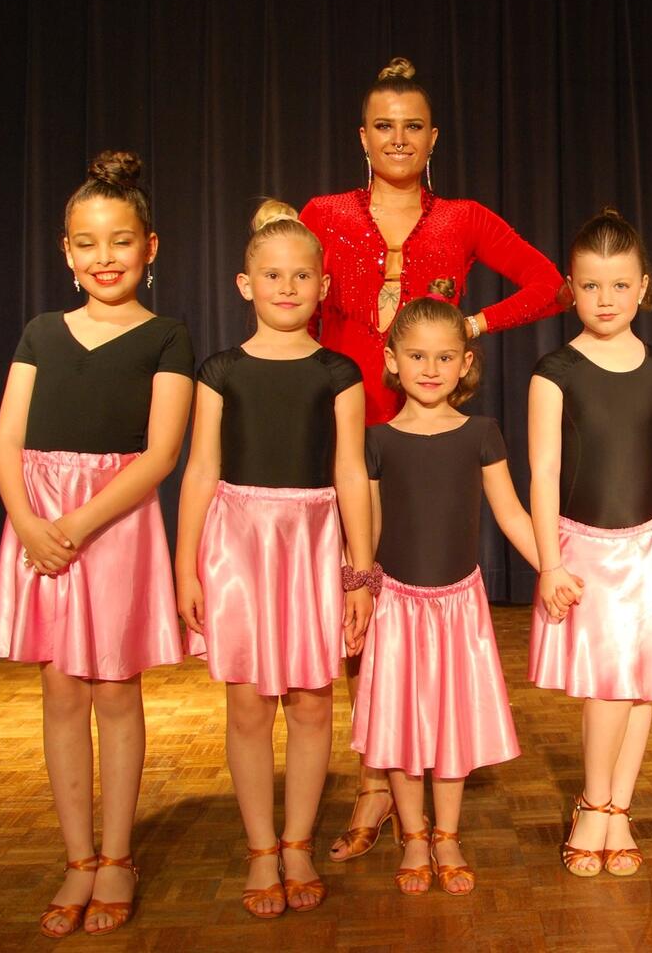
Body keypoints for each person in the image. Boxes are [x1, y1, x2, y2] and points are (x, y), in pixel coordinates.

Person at [300, 56, 568, 859]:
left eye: (412, 126)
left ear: (433, 137)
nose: (398, 138)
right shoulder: (322, 215)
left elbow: (549, 285)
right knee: (360, 608)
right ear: (361, 136)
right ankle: (373, 781)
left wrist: (468, 326)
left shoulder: (462, 219)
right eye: (383, 126)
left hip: (429, 437)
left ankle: (413, 786)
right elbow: (293, 304)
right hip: (350, 435)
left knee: (410, 605)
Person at [0, 151, 194, 938]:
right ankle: (77, 857)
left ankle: (116, 857)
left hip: (112, 525)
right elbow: (6, 442)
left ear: (150, 247)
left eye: (120, 240)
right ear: (66, 252)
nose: (103, 257)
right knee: (61, 691)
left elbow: (161, 454)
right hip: (39, 524)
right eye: (86, 243)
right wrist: (29, 523)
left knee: (113, 689)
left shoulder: (166, 338)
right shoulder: (41, 332)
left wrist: (76, 525)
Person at [174, 201, 374, 919]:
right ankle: (261, 846)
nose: (286, 287)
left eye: (301, 276)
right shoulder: (219, 371)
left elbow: (350, 473)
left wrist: (359, 573)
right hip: (239, 545)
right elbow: (201, 470)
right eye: (271, 275)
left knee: (314, 701)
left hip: (313, 544)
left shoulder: (339, 372)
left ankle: (297, 843)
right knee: (249, 703)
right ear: (244, 284)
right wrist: (185, 566)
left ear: (324, 286)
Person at [528, 208, 652, 878]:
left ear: (643, 287)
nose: (605, 299)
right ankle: (592, 803)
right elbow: (543, 472)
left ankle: (617, 810)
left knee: (639, 688)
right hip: (586, 552)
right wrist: (548, 562)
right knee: (606, 687)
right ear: (570, 288)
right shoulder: (554, 370)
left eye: (619, 285)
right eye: (590, 285)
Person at [351, 282, 538, 895]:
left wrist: (552, 567)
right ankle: (413, 834)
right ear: (392, 360)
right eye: (417, 355)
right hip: (397, 607)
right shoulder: (376, 441)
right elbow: (367, 528)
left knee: (452, 721)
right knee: (401, 723)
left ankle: (448, 835)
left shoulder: (480, 433)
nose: (430, 368)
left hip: (459, 607)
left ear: (465, 362)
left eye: (444, 356)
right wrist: (356, 589)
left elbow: (511, 513)